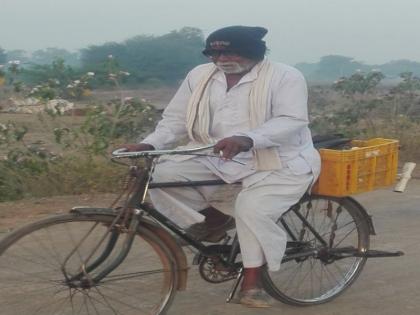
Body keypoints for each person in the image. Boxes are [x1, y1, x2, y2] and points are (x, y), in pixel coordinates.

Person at [120, 25, 321, 308]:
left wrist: (248, 138)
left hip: (279, 160)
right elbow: (176, 119)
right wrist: (148, 144)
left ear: (254, 52)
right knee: (163, 174)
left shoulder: (285, 76)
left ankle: (253, 284)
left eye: (230, 52)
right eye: (215, 53)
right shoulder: (199, 75)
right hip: (216, 155)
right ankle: (213, 222)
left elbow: (292, 120)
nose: (222, 59)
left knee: (251, 209)